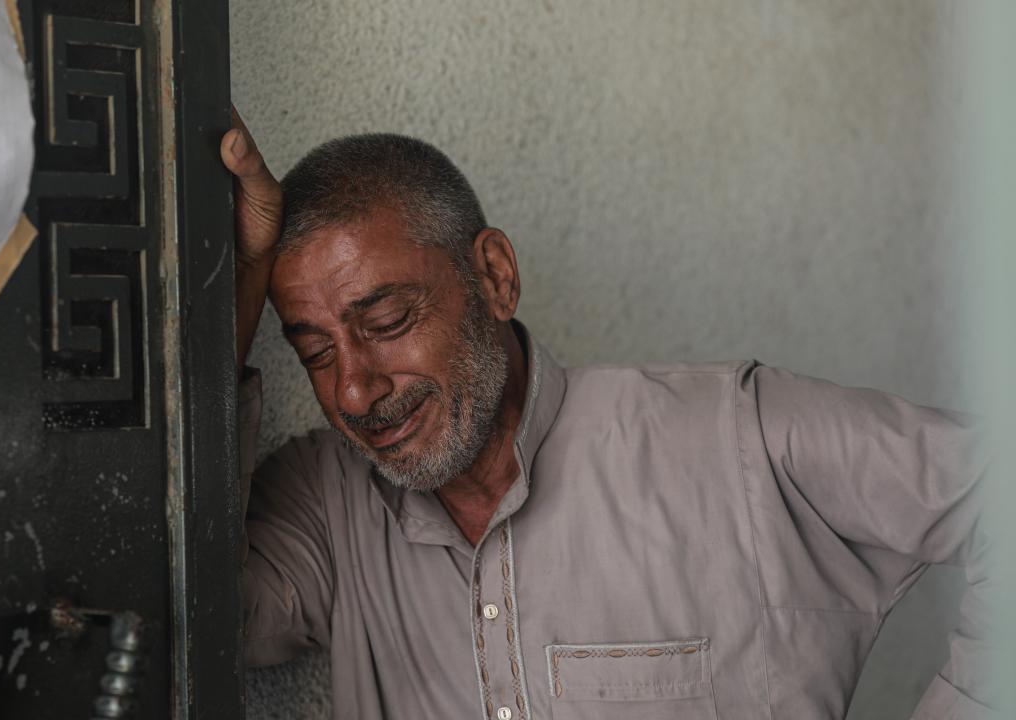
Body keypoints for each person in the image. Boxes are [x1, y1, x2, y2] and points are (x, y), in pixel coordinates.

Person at [219, 114, 996, 720]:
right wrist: (244, 276)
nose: (354, 391)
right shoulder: (328, 505)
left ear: (494, 276)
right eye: (314, 352)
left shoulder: (733, 442)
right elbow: (187, 625)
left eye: (388, 322)